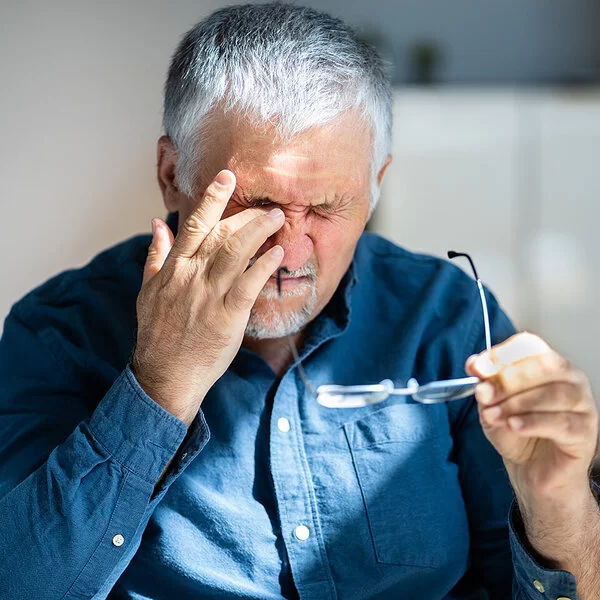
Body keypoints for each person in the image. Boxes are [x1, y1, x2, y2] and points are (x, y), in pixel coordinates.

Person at [0, 4, 599, 599]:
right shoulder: (56, 335)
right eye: (257, 205)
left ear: (375, 186)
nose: (289, 254)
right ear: (171, 172)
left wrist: (559, 506)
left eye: (324, 209)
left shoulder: (448, 318)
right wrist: (160, 385)